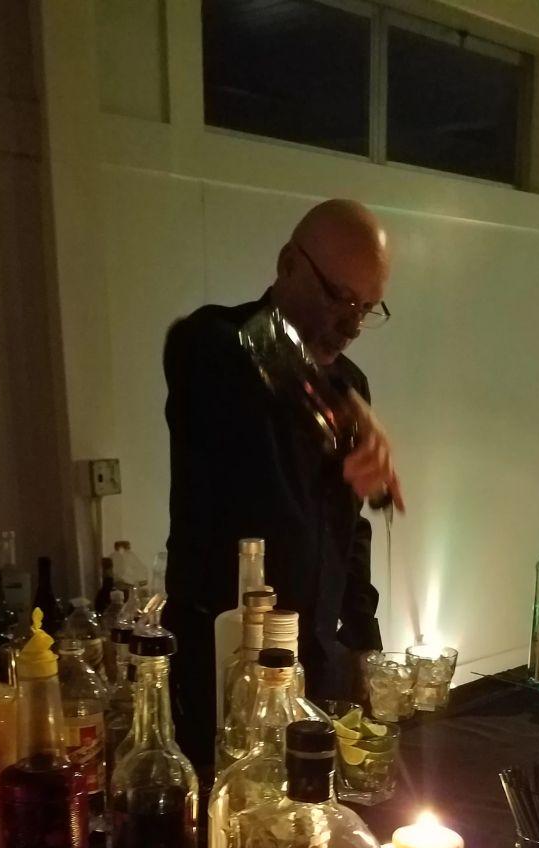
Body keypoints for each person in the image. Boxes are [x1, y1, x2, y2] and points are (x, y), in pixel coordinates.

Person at [163, 198, 403, 769]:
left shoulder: (350, 385)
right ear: (289, 264)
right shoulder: (212, 346)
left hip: (316, 667)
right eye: (339, 297)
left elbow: (348, 532)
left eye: (366, 307)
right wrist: (339, 408)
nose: (351, 326)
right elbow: (248, 347)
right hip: (221, 674)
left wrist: (365, 649)